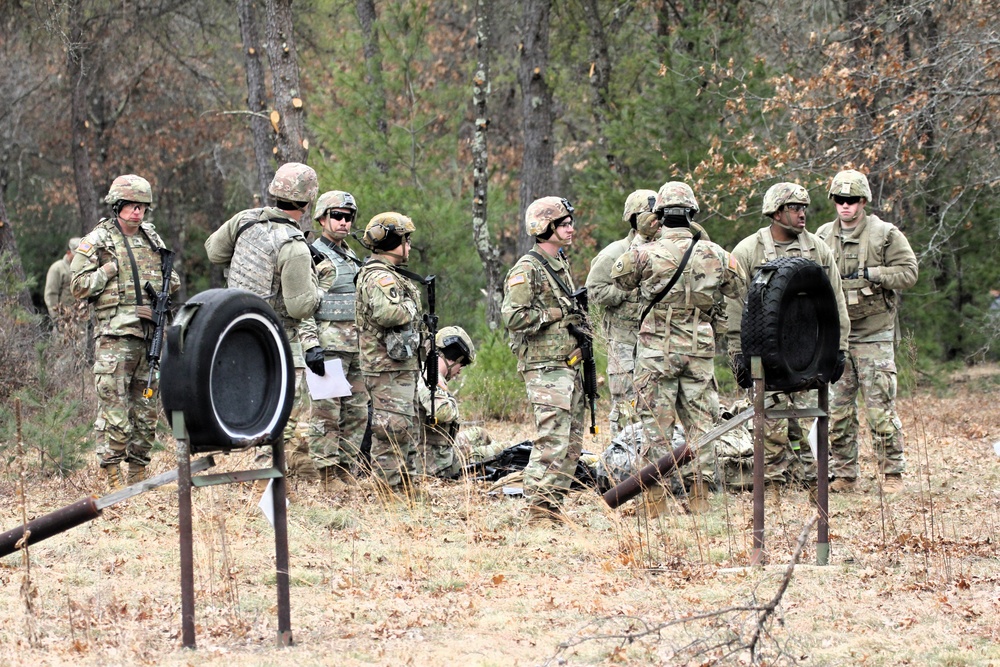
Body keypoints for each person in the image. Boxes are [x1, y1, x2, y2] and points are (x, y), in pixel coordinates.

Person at [610, 181, 746, 515]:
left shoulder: (645, 254)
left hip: (657, 350)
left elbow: (620, 280)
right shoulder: (716, 254)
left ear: (659, 216)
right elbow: (740, 285)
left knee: (656, 426)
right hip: (699, 350)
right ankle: (700, 497)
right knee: (703, 424)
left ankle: (656, 501)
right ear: (692, 213)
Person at [727, 182, 849, 500]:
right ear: (777, 212)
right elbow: (735, 305)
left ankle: (812, 480)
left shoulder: (818, 249)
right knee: (769, 424)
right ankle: (770, 484)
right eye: (795, 208)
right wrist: (738, 354)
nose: (802, 214)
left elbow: (836, 301)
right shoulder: (748, 251)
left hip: (808, 350)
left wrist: (840, 349)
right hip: (766, 351)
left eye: (804, 208)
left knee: (808, 419)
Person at [204, 162, 325, 478]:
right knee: (287, 412)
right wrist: (322, 284)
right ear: (308, 200)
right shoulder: (294, 245)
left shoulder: (245, 220)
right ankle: (276, 481)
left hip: (238, 331)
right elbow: (301, 307)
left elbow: (214, 253)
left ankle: (265, 476)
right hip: (278, 340)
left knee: (259, 405)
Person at [71, 175, 180, 491]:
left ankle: (137, 472)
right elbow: (78, 286)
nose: (138, 213)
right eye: (132, 206)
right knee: (115, 412)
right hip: (115, 339)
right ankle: (111, 474)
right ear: (118, 205)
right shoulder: (99, 240)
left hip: (148, 337)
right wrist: (106, 271)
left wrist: (164, 288)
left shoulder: (151, 239)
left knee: (146, 414)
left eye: (142, 207)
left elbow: (170, 280)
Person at [816, 169, 918, 494]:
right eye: (840, 200)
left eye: (852, 200)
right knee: (839, 411)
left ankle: (892, 474)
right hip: (839, 336)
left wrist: (876, 273)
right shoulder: (821, 237)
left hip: (875, 334)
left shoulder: (885, 234)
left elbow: (909, 272)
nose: (845, 206)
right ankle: (844, 474)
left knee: (879, 408)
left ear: (863, 201)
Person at [502, 196, 588, 524]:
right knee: (551, 440)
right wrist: (559, 312)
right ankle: (536, 513)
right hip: (544, 366)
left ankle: (550, 508)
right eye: (563, 224)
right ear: (545, 227)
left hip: (567, 363)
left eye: (569, 223)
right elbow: (513, 317)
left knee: (571, 443)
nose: (570, 229)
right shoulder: (528, 268)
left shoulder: (559, 264)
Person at [355, 212, 425, 499]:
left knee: (403, 425)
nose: (409, 245)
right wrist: (411, 308)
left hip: (396, 363)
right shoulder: (379, 276)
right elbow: (387, 313)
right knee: (390, 428)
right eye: (406, 239)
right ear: (393, 241)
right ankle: (388, 491)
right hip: (385, 365)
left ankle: (405, 486)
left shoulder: (390, 274)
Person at [309, 190, 369, 491]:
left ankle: (346, 469)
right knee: (327, 413)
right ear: (322, 218)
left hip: (356, 345)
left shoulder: (350, 254)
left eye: (349, 217)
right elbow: (305, 305)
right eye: (338, 216)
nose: (344, 222)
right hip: (329, 346)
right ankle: (327, 476)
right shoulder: (313, 255)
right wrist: (311, 345)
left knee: (357, 411)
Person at [585, 189, 657, 436]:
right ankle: (624, 462)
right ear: (635, 218)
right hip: (625, 343)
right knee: (627, 407)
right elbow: (593, 290)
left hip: (658, 343)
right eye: (649, 215)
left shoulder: (667, 251)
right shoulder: (615, 253)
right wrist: (626, 292)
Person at [416, 325, 491, 478]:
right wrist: (452, 402)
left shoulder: (431, 375)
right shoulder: (428, 377)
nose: (459, 371)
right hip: (436, 462)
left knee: (480, 434)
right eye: (461, 364)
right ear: (451, 359)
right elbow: (443, 412)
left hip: (443, 449)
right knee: (501, 450)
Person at [45, 237, 82, 323]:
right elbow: (51, 295)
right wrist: (57, 318)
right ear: (68, 252)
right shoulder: (57, 269)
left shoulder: (84, 268)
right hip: (64, 321)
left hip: (81, 321)